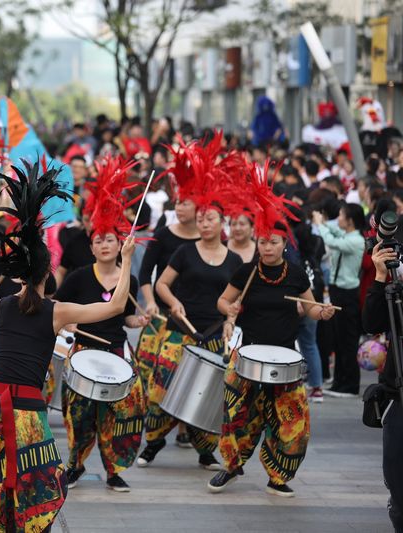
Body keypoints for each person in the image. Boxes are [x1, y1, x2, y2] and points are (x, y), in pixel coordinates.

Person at [0, 160, 136, 531]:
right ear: (46, 273)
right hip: (28, 411)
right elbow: (115, 306)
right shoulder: (56, 311)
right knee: (33, 490)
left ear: (19, 274)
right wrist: (127, 260)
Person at [208, 177, 335, 497]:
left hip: (285, 356)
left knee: (292, 422)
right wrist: (230, 309)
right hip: (248, 354)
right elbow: (222, 301)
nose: (267, 248)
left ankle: (278, 476)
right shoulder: (247, 272)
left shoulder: (295, 274)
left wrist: (322, 312)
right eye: (263, 242)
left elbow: (310, 308)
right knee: (236, 416)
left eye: (274, 242)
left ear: (283, 244)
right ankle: (231, 467)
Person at [54, 156, 145, 492]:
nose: (105, 245)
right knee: (78, 415)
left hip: (117, 351)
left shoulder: (129, 279)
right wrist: (67, 324)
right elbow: (57, 307)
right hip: (83, 351)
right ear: (91, 247)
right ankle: (75, 465)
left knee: (120, 414)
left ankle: (114, 470)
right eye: (98, 241)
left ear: (120, 244)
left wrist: (139, 320)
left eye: (110, 240)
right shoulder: (78, 277)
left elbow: (126, 315)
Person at [139, 204, 243, 469]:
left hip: (213, 335)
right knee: (162, 385)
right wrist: (173, 302)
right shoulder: (184, 251)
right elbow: (162, 284)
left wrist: (230, 321)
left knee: (207, 393)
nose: (204, 224)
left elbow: (236, 300)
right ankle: (153, 442)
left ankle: (205, 451)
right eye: (201, 219)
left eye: (210, 219)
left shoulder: (234, 260)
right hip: (179, 331)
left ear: (222, 222)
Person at [363, 241, 403, 532]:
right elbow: (371, 323)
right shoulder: (397, 287)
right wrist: (379, 277)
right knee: (398, 482)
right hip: (399, 393)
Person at [313, 204, 365, 397]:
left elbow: (331, 241)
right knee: (338, 338)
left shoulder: (356, 240)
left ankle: (350, 385)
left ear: (350, 221)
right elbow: (334, 231)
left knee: (348, 340)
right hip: (337, 290)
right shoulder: (346, 234)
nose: (339, 219)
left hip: (347, 293)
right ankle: (339, 383)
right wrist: (324, 222)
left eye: (342, 216)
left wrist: (320, 224)